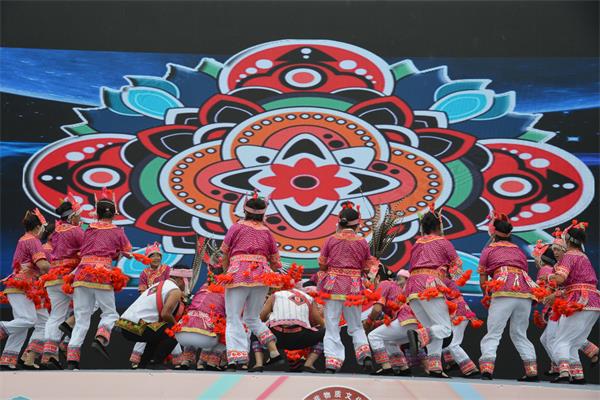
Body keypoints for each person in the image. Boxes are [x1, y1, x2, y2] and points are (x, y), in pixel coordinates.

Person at [66, 188, 131, 369]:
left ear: (97, 213)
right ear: (114, 213)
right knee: (110, 313)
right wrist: (119, 252)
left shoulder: (88, 229)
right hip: (102, 274)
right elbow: (128, 250)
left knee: (81, 317)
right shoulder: (117, 231)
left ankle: (72, 359)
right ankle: (100, 337)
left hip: (82, 273)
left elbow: (83, 249)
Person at [220, 192, 282, 369]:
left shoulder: (236, 228)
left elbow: (225, 253)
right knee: (252, 317)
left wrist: (226, 273)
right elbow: (275, 261)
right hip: (262, 275)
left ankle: (236, 358)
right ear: (263, 213)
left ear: (245, 210)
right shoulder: (267, 232)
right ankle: (273, 350)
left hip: (238, 273)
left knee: (233, 317)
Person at [318, 202, 378, 373]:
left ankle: (332, 362)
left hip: (333, 285)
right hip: (353, 287)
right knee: (356, 325)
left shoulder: (331, 240)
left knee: (332, 325)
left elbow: (322, 264)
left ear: (340, 222)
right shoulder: (362, 242)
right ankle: (364, 353)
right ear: (357, 224)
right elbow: (366, 267)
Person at [478, 212, 538, 381]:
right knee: (520, 333)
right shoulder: (518, 250)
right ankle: (532, 370)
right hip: (525, 291)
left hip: (503, 289)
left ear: (493, 233)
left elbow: (483, 277)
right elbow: (524, 270)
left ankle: (487, 369)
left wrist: (486, 295)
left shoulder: (489, 250)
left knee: (494, 332)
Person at [405, 206, 459, 378]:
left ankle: (435, 367)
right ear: (438, 225)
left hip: (412, 287)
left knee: (433, 329)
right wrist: (450, 277)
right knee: (445, 329)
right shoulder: (443, 242)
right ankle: (418, 335)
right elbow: (457, 265)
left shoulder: (417, 243)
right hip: (430, 286)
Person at [549, 221, 599, 384]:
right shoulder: (584, 256)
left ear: (567, 240)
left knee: (561, 340)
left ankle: (564, 372)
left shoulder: (569, 256)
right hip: (594, 303)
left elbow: (560, 278)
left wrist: (549, 277)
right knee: (575, 341)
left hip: (579, 301)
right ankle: (578, 375)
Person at [0, 209, 51, 369]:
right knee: (28, 320)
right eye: (43, 227)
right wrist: (57, 270)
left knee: (34, 323)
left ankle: (8, 359)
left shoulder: (25, 239)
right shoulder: (32, 240)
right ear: (38, 227)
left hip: (28, 287)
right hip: (22, 286)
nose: (43, 230)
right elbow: (43, 265)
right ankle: (2, 328)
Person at [41, 197, 84, 368]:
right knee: (90, 305)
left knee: (55, 316)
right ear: (72, 216)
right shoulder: (76, 231)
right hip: (69, 277)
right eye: (79, 215)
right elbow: (88, 250)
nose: (80, 218)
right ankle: (69, 331)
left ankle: (49, 353)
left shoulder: (56, 231)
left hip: (53, 278)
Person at [117, 265, 188, 368]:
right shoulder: (175, 290)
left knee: (157, 332)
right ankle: (156, 362)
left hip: (124, 325)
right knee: (174, 330)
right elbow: (165, 314)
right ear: (181, 279)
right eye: (188, 280)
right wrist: (177, 325)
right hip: (137, 327)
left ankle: (144, 364)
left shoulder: (160, 284)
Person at [254, 281, 326, 373]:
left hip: (276, 338)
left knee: (256, 329)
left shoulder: (275, 295)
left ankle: (259, 364)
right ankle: (309, 363)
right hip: (301, 337)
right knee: (326, 334)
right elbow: (319, 322)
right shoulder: (308, 298)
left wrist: (272, 315)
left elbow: (261, 318)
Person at [367, 268, 417, 376]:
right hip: (415, 322)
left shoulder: (384, 284)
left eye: (369, 279)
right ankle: (403, 367)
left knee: (373, 336)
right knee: (389, 340)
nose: (368, 282)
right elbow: (391, 318)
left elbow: (377, 309)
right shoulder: (398, 286)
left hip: (405, 319)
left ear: (377, 278)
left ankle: (386, 367)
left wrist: (369, 322)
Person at [129, 242, 171, 368]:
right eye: (153, 255)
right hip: (149, 306)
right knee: (145, 331)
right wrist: (149, 302)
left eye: (158, 255)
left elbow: (170, 286)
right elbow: (142, 292)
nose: (156, 258)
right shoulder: (144, 273)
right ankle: (136, 360)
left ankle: (178, 360)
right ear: (147, 258)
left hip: (164, 305)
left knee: (169, 332)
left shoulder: (166, 269)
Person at [174, 270, 226, 371]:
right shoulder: (225, 291)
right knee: (223, 330)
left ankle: (186, 361)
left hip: (181, 335)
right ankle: (208, 363)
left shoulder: (203, 288)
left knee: (195, 325)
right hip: (205, 337)